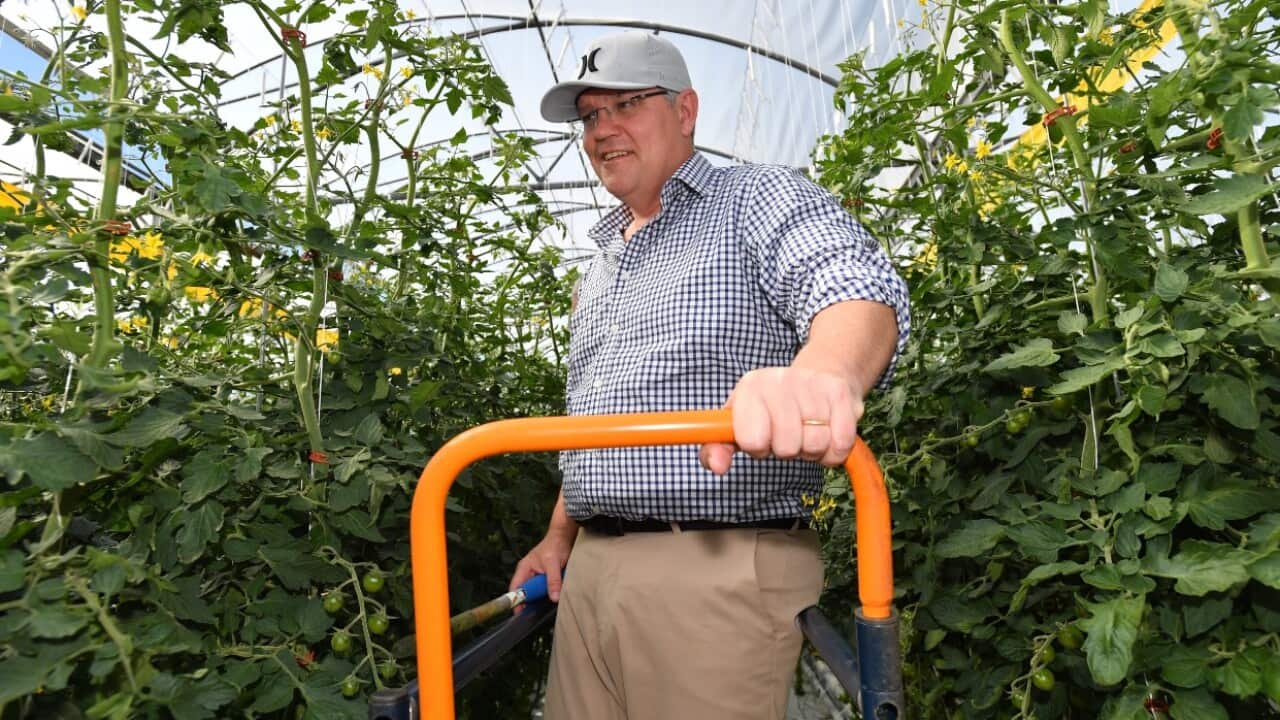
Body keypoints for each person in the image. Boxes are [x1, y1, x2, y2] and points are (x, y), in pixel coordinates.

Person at [509, 30, 910, 720]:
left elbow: (852, 285)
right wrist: (559, 537)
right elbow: (589, 428)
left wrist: (821, 375)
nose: (603, 130)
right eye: (591, 117)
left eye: (625, 106)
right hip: (591, 572)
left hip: (713, 569)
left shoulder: (754, 198)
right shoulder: (600, 266)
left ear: (686, 110)